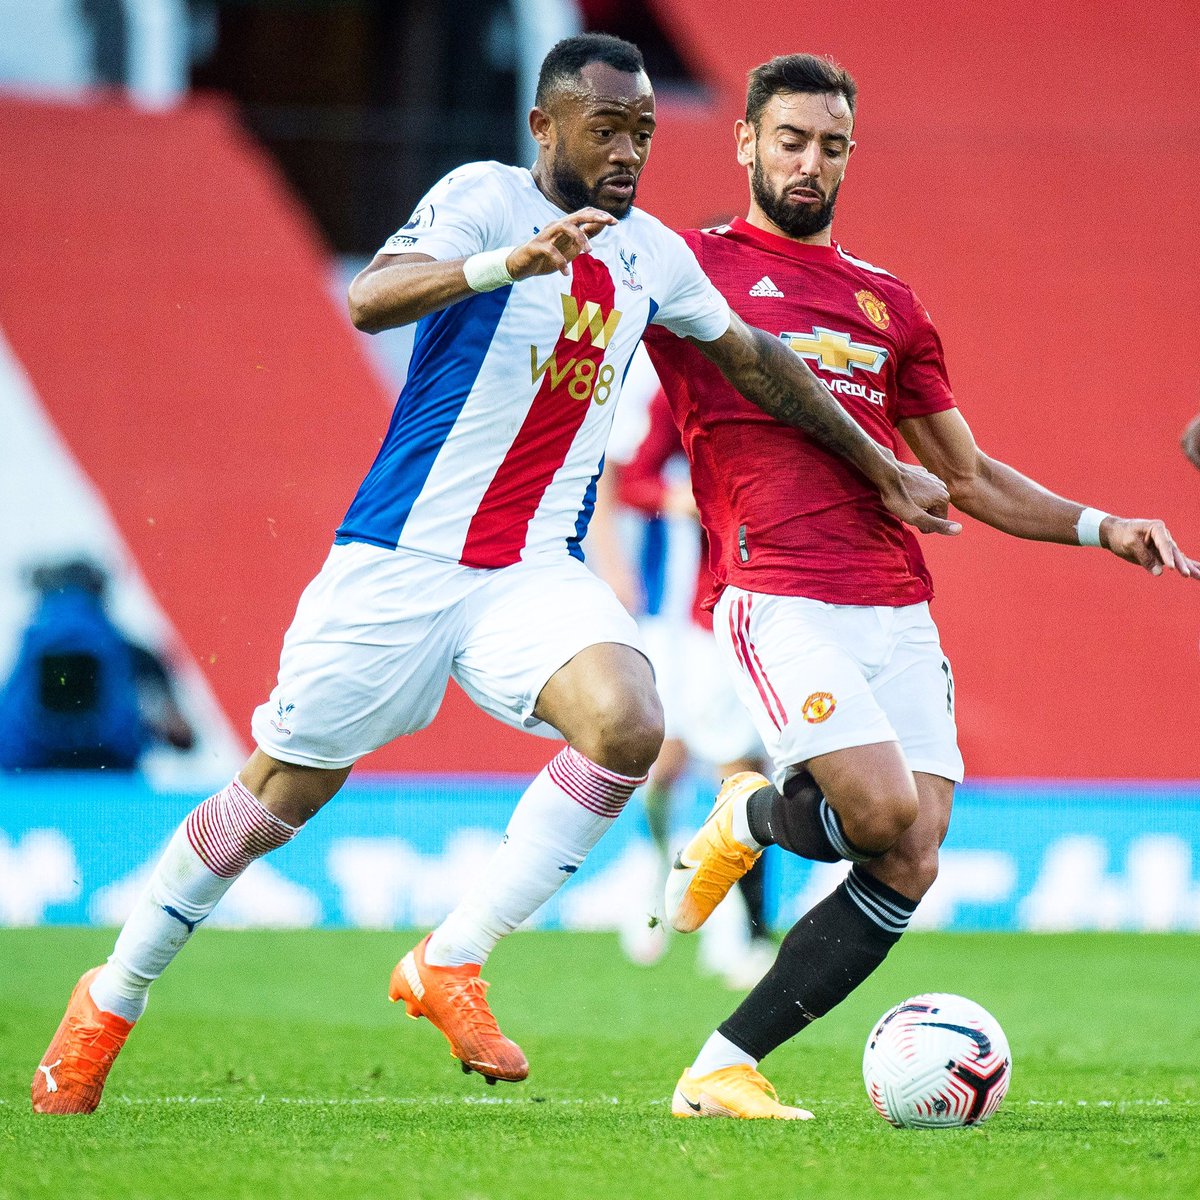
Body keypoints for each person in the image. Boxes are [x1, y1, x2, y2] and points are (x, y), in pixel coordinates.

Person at [30, 33, 956, 1116]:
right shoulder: (482, 196)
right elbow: (372, 300)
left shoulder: (655, 253)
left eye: (644, 133)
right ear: (544, 128)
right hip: (399, 563)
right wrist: (505, 265)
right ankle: (110, 998)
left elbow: (757, 358)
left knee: (626, 722)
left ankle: (453, 958)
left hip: (530, 571)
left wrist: (881, 463)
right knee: (279, 796)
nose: (627, 152)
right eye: (606, 129)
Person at [642, 53, 1199, 1121]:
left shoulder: (886, 303)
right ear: (747, 143)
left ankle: (721, 1065)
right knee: (875, 806)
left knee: (911, 854)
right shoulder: (692, 269)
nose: (811, 162)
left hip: (895, 600)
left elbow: (968, 475)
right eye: (792, 140)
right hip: (780, 589)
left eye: (832, 145)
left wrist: (1101, 526)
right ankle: (749, 816)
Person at [607, 374, 775, 984]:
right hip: (667, 621)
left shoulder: (775, 393)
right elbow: (633, 482)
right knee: (660, 766)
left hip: (733, 615)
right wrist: (681, 500)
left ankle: (745, 927)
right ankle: (656, 871)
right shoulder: (674, 394)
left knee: (739, 772)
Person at [0, 558, 194, 771]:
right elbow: (182, 737)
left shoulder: (29, 648)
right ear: (100, 597)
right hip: (107, 781)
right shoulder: (132, 654)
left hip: (29, 786)